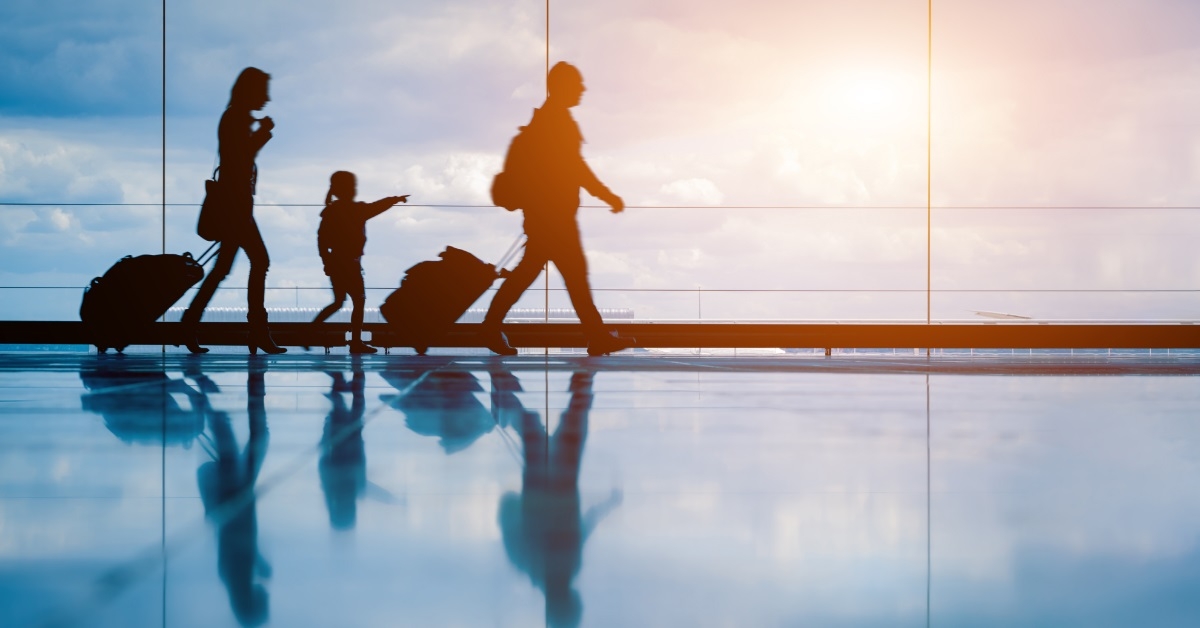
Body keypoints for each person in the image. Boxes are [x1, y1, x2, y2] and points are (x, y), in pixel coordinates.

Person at [483, 61, 635, 357]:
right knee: (571, 276)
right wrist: (607, 195)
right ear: (562, 87)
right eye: (577, 84)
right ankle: (596, 337)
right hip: (555, 219)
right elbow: (576, 168)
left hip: (545, 216)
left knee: (534, 275)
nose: (582, 89)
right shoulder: (557, 123)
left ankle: (490, 328)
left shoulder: (547, 121)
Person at [180, 67, 284, 355]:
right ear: (251, 92)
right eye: (263, 92)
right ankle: (257, 332)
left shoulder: (235, 118)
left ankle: (191, 325)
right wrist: (263, 133)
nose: (267, 98)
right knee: (258, 261)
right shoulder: (236, 119)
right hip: (236, 209)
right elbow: (241, 157)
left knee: (224, 269)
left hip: (235, 207)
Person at [311, 171, 408, 354]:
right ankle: (355, 342)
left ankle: (311, 330)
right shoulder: (356, 210)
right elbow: (377, 207)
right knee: (358, 301)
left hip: (337, 263)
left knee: (339, 302)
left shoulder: (331, 212)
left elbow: (321, 241)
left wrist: (327, 263)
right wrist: (395, 199)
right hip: (350, 265)